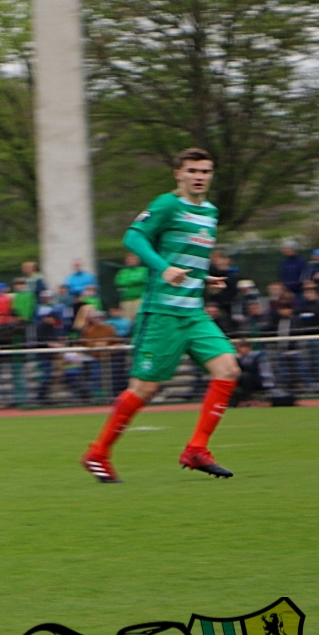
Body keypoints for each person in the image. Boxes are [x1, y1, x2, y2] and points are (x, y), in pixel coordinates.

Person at [81, 148, 239, 483]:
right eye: (193, 170)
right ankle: (98, 453)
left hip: (193, 312)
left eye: (206, 171)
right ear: (177, 174)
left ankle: (197, 449)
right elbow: (133, 237)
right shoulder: (167, 204)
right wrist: (163, 269)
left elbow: (189, 258)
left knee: (228, 369)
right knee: (144, 390)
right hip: (163, 313)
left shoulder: (210, 212)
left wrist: (203, 278)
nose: (200, 176)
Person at [114, 253, 147, 325]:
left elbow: (143, 279)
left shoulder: (144, 270)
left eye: (133, 259)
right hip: (126, 300)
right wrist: (135, 281)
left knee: (139, 319)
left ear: (138, 261)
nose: (131, 261)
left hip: (139, 298)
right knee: (126, 321)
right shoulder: (122, 272)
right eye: (129, 260)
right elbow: (119, 282)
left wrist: (129, 281)